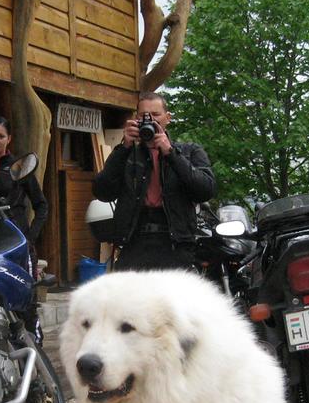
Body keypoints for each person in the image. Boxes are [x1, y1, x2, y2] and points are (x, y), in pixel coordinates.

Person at [92, 92, 216, 271]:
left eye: (156, 115)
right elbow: (102, 192)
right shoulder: (126, 154)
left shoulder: (190, 151)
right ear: (135, 119)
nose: (150, 121)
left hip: (176, 244)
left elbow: (206, 190)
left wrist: (171, 153)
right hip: (135, 242)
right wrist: (123, 148)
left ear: (168, 118)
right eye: (143, 116)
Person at [0, 115, 49, 341]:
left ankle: (36, 346)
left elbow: (41, 206)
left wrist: (31, 236)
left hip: (18, 242)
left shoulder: (20, 167)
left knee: (26, 295)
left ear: (9, 139)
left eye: (0, 136)